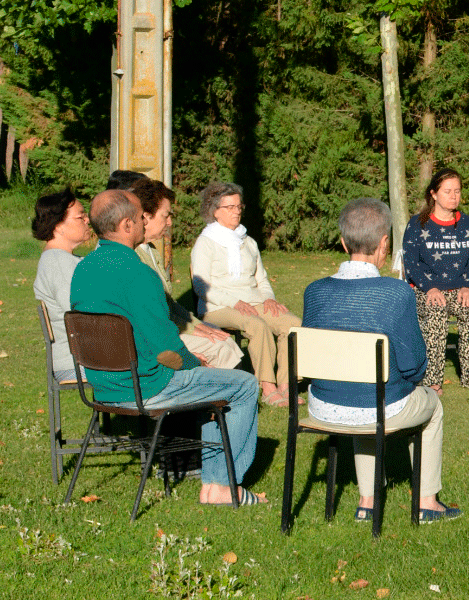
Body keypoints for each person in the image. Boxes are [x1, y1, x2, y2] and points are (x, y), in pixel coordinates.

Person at [69, 190, 264, 507]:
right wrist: (197, 365)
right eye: (140, 218)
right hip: (147, 385)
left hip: (102, 386)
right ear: (127, 225)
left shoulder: (84, 268)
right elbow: (166, 347)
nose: (145, 223)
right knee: (244, 385)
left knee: (216, 383)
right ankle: (221, 486)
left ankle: (215, 480)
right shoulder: (138, 273)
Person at [303, 199, 461, 523]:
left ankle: (367, 501)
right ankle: (427, 501)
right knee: (431, 406)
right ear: (384, 243)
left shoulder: (314, 291)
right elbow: (414, 365)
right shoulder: (395, 293)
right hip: (376, 406)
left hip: (322, 406)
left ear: (343, 242)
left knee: (366, 393)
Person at [191, 181, 301, 406]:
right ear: (215, 211)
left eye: (239, 206)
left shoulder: (248, 241)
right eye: (230, 207)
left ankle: (287, 385)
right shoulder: (205, 242)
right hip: (217, 306)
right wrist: (235, 302)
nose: (236, 211)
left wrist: (269, 298)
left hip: (254, 302)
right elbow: (201, 287)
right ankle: (267, 387)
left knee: (293, 324)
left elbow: (261, 279)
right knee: (256, 325)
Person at [403, 168, 469, 394]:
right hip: (426, 289)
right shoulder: (417, 225)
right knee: (435, 310)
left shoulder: (468, 225)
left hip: (460, 289)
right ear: (434, 194)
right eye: (447, 191)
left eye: (457, 191)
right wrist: (430, 288)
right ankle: (431, 380)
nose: (453, 196)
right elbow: (411, 264)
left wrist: (468, 285)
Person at [127, 178, 244, 370]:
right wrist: (193, 329)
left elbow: (170, 303)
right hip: (157, 340)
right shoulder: (134, 257)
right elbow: (155, 314)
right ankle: (222, 387)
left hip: (167, 330)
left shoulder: (151, 251)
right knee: (219, 347)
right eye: (166, 216)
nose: (170, 222)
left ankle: (229, 386)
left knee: (220, 339)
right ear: (146, 217)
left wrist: (199, 326)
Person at [32, 191, 90, 382]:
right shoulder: (57, 262)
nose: (87, 220)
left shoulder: (66, 259)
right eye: (80, 216)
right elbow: (81, 314)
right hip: (77, 364)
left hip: (89, 360)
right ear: (58, 226)